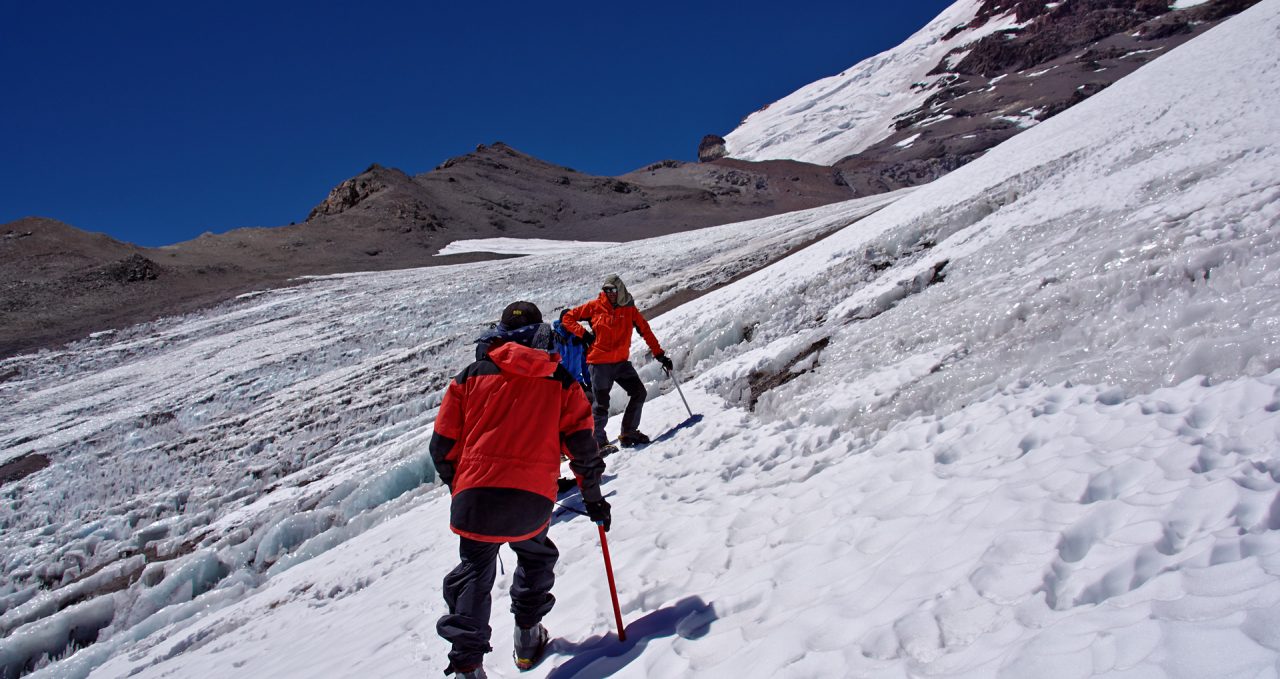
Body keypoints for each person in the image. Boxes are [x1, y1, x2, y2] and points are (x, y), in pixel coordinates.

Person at [431, 301, 611, 678]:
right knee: (534, 556)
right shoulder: (559, 380)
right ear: (541, 335)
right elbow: (582, 448)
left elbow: (443, 446)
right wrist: (593, 499)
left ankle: (467, 666)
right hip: (532, 499)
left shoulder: (470, 376)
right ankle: (528, 638)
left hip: (475, 498)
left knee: (473, 574)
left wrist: (460, 486)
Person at [562, 274, 673, 454]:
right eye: (606, 290)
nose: (609, 293)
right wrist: (584, 334)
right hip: (599, 363)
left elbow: (645, 330)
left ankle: (628, 432)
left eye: (613, 290)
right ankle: (596, 443)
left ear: (620, 289)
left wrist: (659, 354)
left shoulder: (629, 309)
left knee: (639, 392)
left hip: (621, 362)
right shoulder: (595, 306)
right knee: (601, 404)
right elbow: (567, 318)